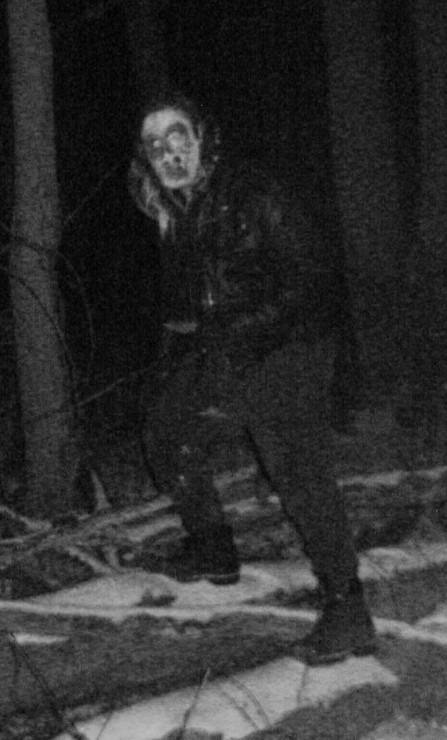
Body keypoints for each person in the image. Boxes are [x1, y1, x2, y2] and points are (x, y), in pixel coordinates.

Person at [128, 92, 376, 665]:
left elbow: (311, 282)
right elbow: (195, 302)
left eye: (178, 136)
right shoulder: (180, 209)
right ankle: (214, 549)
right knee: (166, 427)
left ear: (202, 137)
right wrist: (182, 350)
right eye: (155, 145)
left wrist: (236, 333)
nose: (168, 153)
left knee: (298, 472)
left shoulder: (251, 192)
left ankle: (348, 608)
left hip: (292, 343)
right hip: (232, 347)